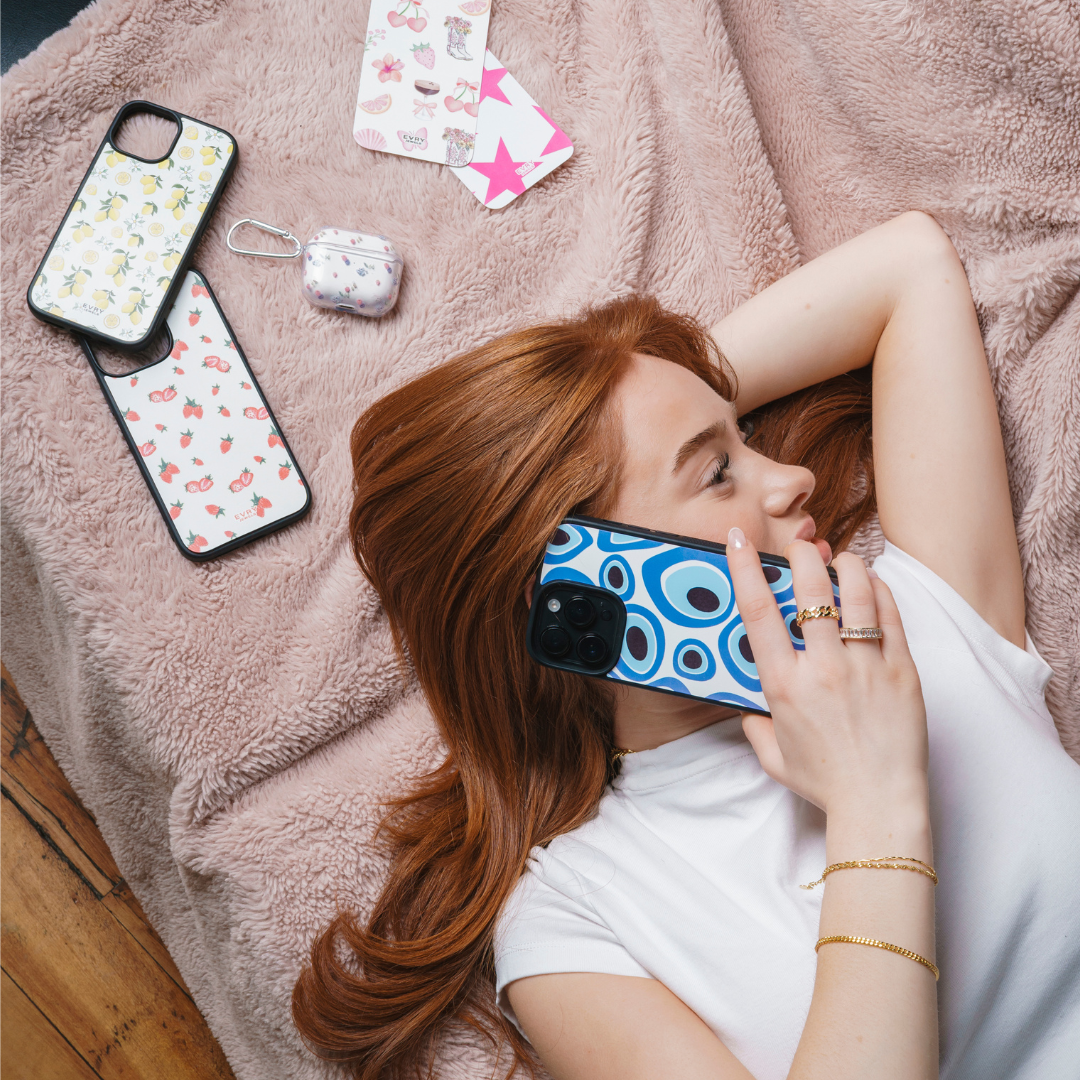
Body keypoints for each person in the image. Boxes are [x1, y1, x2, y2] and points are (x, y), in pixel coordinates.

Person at [291, 212, 1080, 1080]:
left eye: (747, 440)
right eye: (718, 472)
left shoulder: (917, 610)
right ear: (575, 586)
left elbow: (910, 266)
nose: (796, 480)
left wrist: (631, 387)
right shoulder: (574, 922)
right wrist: (874, 802)